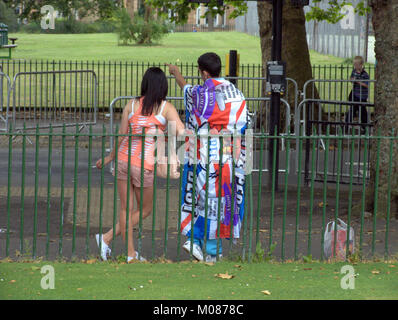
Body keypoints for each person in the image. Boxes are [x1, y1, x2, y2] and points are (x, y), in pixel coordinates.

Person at [95, 67, 184, 263]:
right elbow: (181, 131)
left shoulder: (131, 105)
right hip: (143, 165)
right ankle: (107, 238)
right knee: (145, 210)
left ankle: (129, 253)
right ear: (163, 86)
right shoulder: (165, 108)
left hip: (123, 161)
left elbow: (121, 135)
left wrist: (110, 157)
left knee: (126, 209)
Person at [167, 52, 248, 263]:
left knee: (200, 200)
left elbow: (184, 87)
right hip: (228, 157)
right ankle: (212, 250)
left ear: (203, 72)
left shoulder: (198, 94)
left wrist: (175, 73)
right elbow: (243, 125)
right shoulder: (238, 94)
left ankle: (196, 242)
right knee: (221, 203)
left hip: (202, 156)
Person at [345, 56, 370, 134]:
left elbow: (366, 85)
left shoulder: (365, 74)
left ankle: (364, 127)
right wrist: (352, 80)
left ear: (361, 64)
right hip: (355, 95)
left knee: (362, 112)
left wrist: (358, 81)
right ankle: (346, 125)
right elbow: (351, 79)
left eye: (356, 64)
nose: (355, 66)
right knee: (352, 110)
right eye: (354, 64)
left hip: (362, 96)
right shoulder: (354, 71)